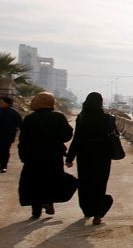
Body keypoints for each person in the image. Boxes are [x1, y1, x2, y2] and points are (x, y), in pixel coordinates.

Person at [18, 91, 74, 219]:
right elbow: (67, 135)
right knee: (51, 180)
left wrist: (23, 156)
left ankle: (36, 209)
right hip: (53, 155)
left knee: (34, 182)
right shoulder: (58, 117)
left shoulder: (29, 119)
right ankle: (49, 202)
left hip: (33, 156)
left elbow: (23, 140)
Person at [66, 92, 115, 225]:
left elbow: (77, 139)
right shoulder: (108, 118)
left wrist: (70, 158)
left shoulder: (82, 117)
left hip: (85, 155)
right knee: (100, 183)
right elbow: (113, 137)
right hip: (103, 156)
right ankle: (98, 214)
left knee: (85, 183)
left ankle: (87, 210)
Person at [0, 96, 22, 173]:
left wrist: (14, 129)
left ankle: (4, 166)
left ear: (8, 103)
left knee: (6, 150)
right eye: (0, 102)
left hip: (8, 135)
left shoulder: (14, 113)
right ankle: (1, 163)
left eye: (2, 102)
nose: (0, 103)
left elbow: (19, 124)